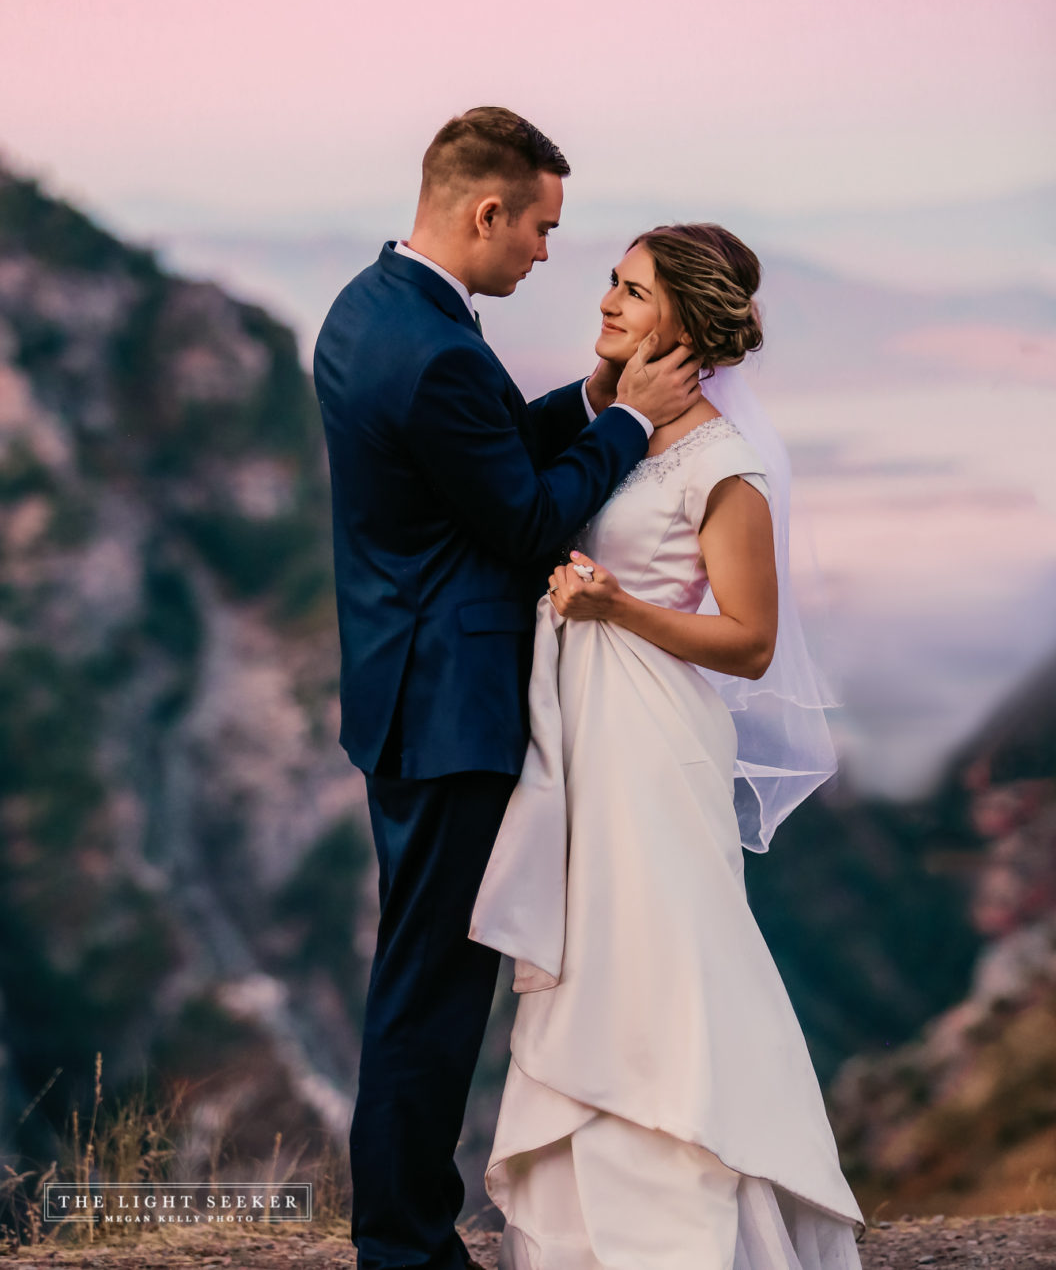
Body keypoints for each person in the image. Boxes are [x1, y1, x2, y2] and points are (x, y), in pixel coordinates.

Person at [312, 108, 702, 1270]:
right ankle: (406, 1248)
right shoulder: (434, 347)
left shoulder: (371, 306)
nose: (545, 252)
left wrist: (589, 397)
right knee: (431, 993)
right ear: (489, 210)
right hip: (450, 707)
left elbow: (473, 454)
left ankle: (404, 1235)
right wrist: (638, 419)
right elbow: (527, 517)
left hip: (399, 683)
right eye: (540, 226)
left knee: (418, 978)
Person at [469, 223, 866, 1269]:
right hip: (578, 735)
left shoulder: (724, 464)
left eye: (631, 289)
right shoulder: (615, 423)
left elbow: (752, 639)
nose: (606, 298)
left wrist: (617, 610)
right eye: (611, 279)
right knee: (592, 961)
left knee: (664, 965)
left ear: (683, 321)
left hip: (654, 740)